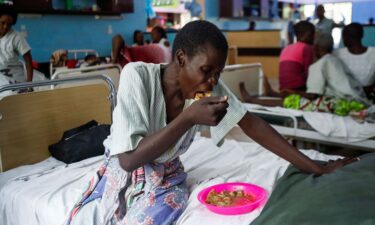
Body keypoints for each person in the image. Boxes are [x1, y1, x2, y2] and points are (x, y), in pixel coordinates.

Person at [68, 21, 358, 225]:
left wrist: (316, 166)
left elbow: (252, 124)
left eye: (218, 73)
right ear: (181, 58)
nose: (212, 81)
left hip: (167, 177)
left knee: (167, 205)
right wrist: (187, 118)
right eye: (207, 70)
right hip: (128, 172)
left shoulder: (205, 84)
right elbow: (129, 160)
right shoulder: (137, 76)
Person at [241, 34, 370, 116]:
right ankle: (273, 94)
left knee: (296, 101)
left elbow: (312, 96)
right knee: (296, 95)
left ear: (317, 48)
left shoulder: (320, 65)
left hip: (345, 104)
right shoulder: (335, 60)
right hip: (358, 101)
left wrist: (292, 91)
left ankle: (252, 100)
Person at [334, 23, 375, 101]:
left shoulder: (337, 54)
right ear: (362, 36)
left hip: (345, 97)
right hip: (370, 97)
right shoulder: (373, 53)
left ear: (345, 37)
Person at [0, 3, 33, 85]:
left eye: (9, 24)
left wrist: (29, 84)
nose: (5, 27)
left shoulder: (16, 37)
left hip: (15, 79)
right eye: (2, 23)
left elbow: (28, 60)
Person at [279, 21, 315, 92]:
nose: (313, 38)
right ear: (306, 34)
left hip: (283, 88)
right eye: (312, 35)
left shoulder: (286, 48)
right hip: (298, 89)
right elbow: (309, 73)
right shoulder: (307, 48)